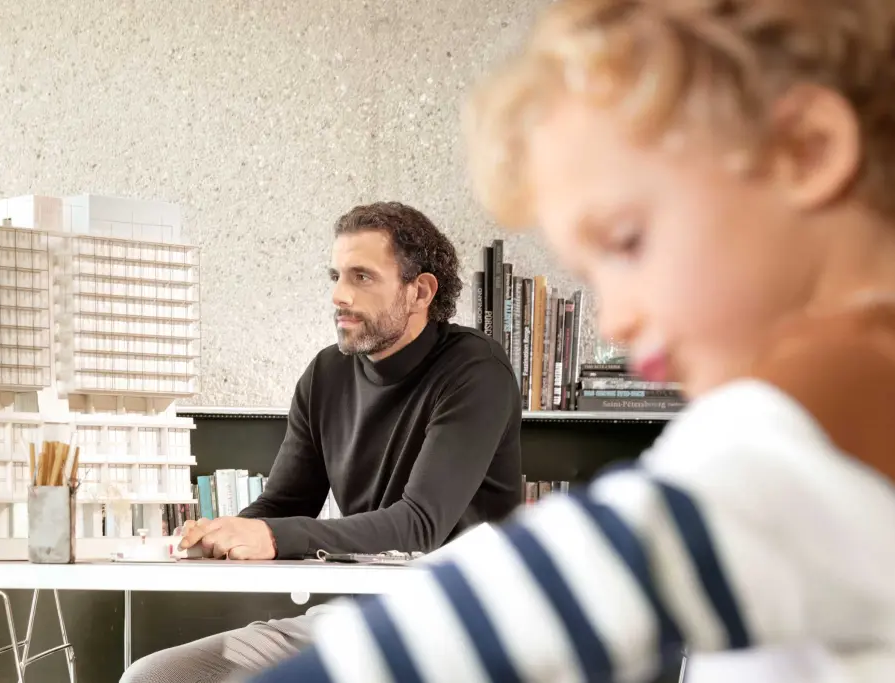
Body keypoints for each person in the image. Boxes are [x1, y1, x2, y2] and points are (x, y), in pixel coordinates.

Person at [240, 1, 895, 682]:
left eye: (627, 240)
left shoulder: (823, 433)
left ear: (805, 151)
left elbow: (512, 612)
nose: (614, 320)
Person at [120, 201, 523, 682]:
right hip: (359, 620)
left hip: (463, 627)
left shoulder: (476, 372)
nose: (339, 294)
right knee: (156, 677)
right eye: (335, 276)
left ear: (420, 291)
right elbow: (286, 502)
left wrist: (270, 537)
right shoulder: (326, 374)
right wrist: (218, 536)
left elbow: (419, 527)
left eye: (361, 277)